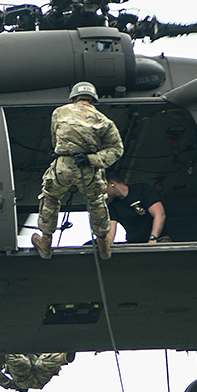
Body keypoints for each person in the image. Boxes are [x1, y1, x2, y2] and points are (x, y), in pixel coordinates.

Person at [34, 82, 125, 261]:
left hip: (63, 166)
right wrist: (91, 159)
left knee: (51, 197)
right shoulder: (104, 120)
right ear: (93, 99)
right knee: (96, 202)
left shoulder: (59, 112)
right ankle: (104, 245)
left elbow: (55, 140)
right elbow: (116, 150)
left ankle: (45, 242)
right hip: (89, 170)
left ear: (74, 97)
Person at [105, 175, 167, 243]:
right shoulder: (112, 206)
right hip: (134, 243)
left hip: (158, 240)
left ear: (112, 184)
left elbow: (159, 214)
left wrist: (153, 238)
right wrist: (106, 245)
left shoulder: (142, 189)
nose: (103, 192)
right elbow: (110, 230)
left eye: (103, 188)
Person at [0, 352, 77, 392]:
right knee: (23, 362)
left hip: (25, 379)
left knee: (43, 362)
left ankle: (63, 357)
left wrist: (11, 384)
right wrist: (11, 384)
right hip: (37, 379)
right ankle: (63, 357)